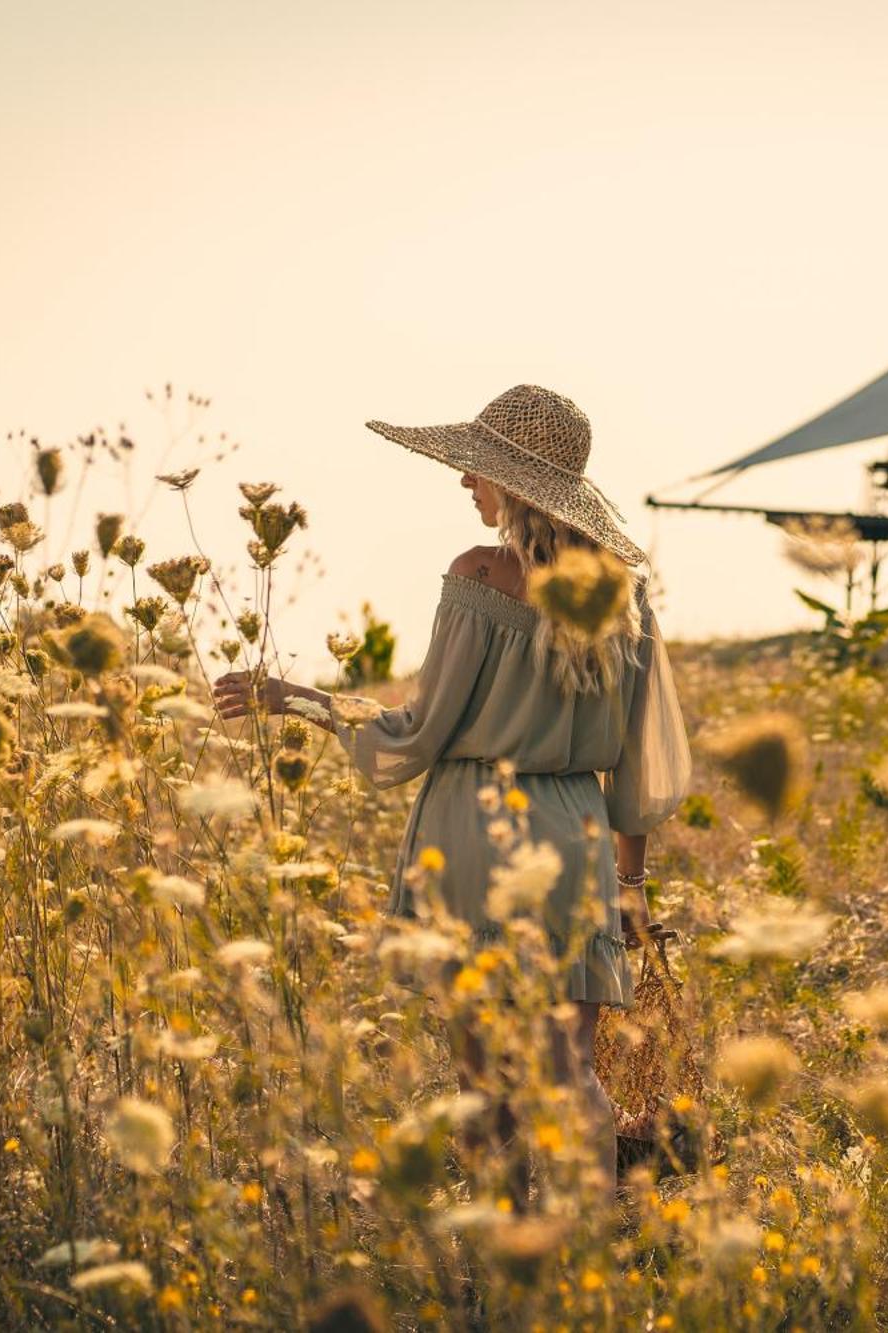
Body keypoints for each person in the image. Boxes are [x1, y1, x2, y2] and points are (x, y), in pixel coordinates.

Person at [213, 383, 692, 1201]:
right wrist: (633, 882)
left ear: (516, 485)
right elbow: (637, 771)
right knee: (572, 1065)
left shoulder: (479, 576)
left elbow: (419, 729)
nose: (466, 482)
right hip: (576, 840)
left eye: (479, 469)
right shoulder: (627, 600)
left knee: (483, 1079)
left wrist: (295, 698)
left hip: (477, 831)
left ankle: (508, 1251)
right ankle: (592, 1255)